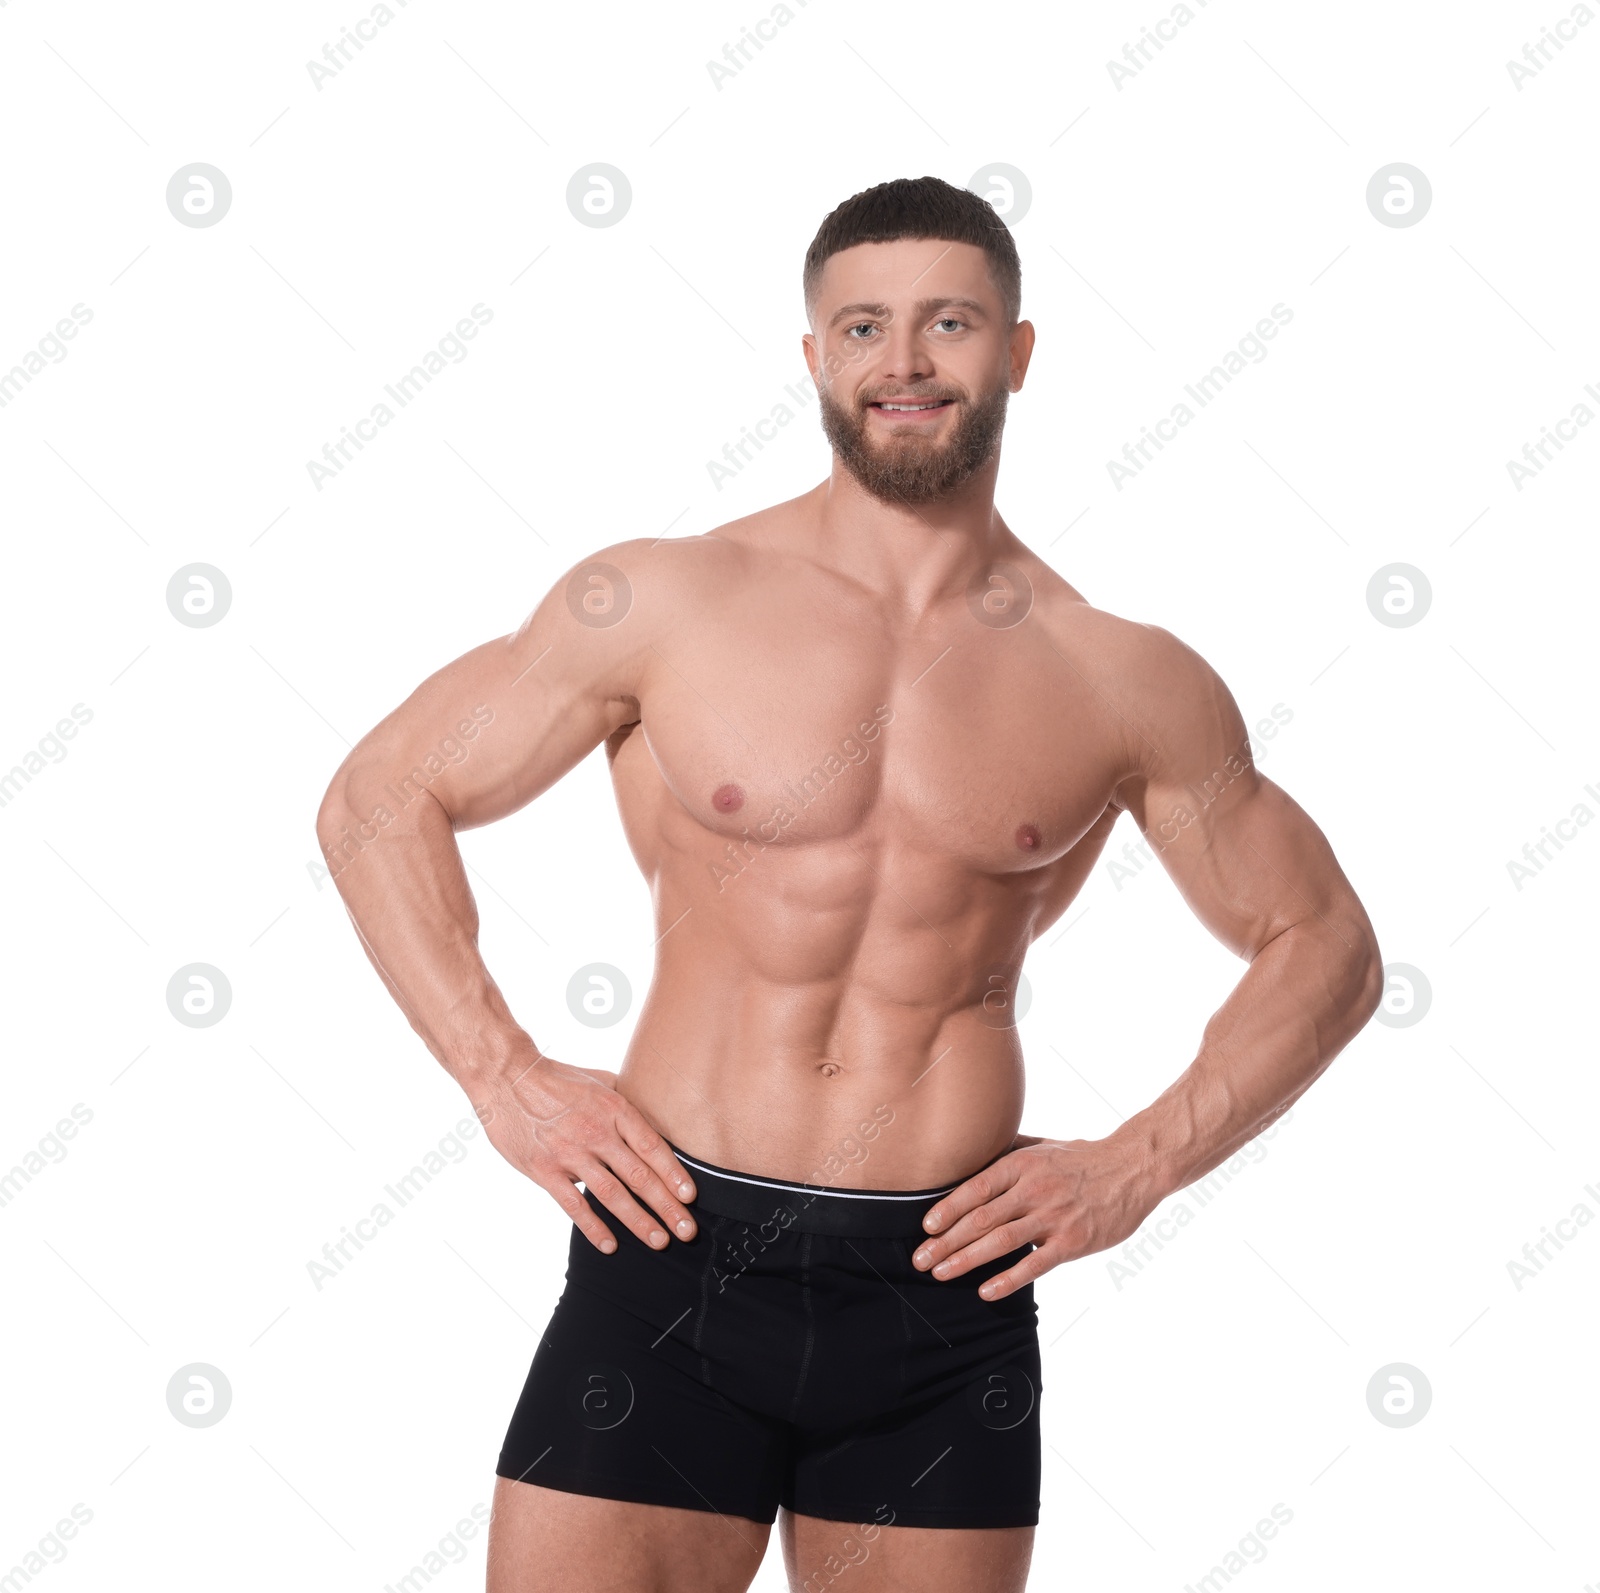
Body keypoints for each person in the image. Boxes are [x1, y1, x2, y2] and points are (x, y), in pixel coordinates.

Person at [315, 174, 1383, 1593]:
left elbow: (1326, 943)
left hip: (944, 1301)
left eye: (949, 322)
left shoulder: (1120, 673)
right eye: (865, 326)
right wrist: (503, 1076)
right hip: (667, 1255)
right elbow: (382, 797)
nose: (906, 361)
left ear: (1017, 351)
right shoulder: (659, 599)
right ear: (815, 357)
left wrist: (1136, 1164)